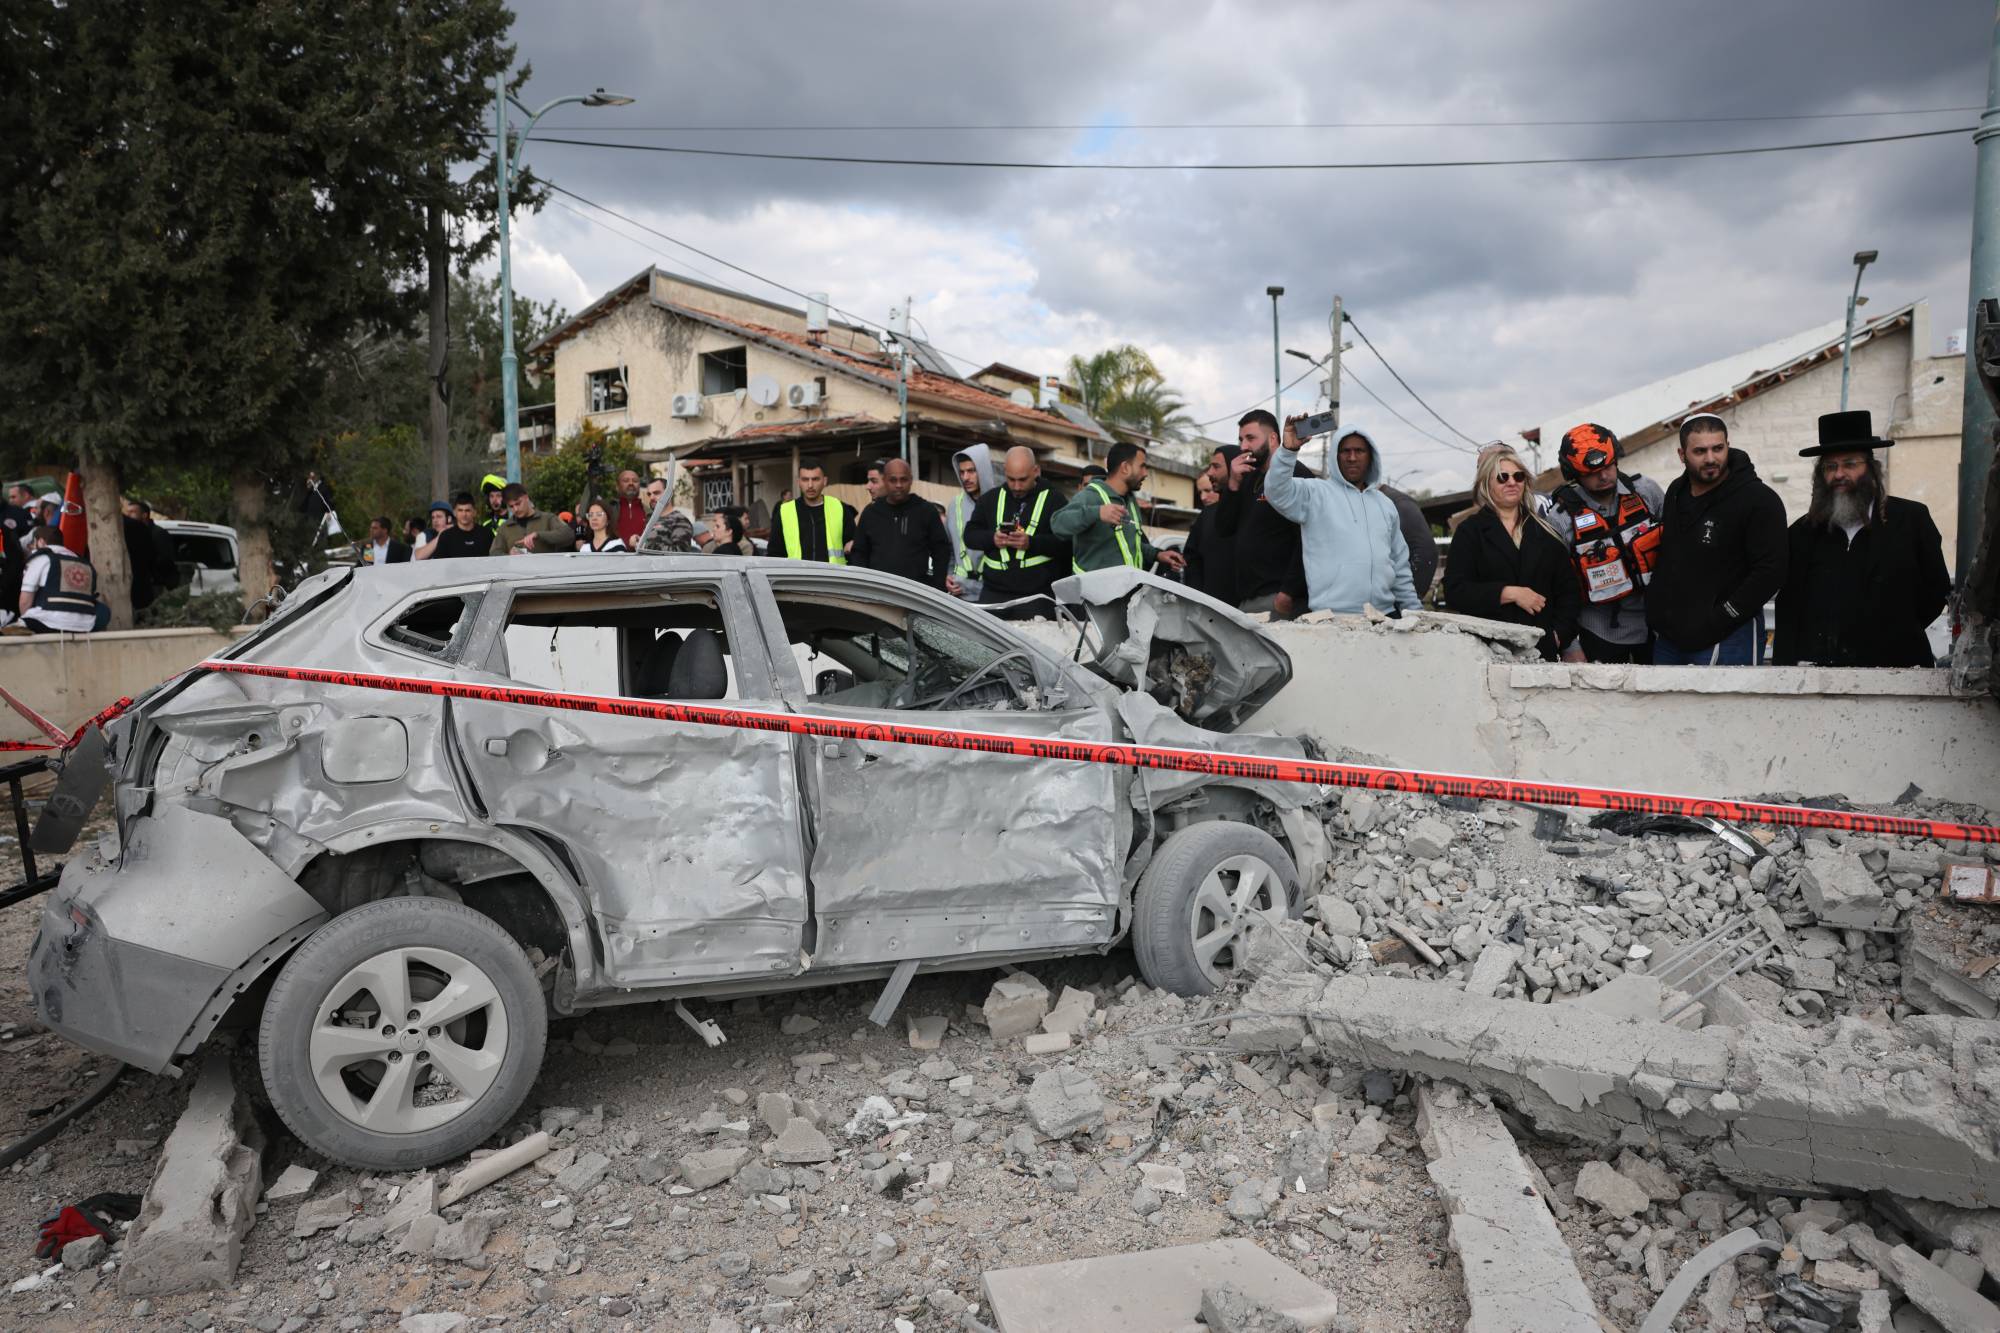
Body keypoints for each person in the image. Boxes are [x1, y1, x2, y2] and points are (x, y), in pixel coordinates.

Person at [1773, 409, 1951, 667]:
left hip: (1898, 668)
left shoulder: (1911, 520)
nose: (1838, 474)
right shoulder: (1802, 533)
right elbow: (1789, 607)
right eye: (1830, 467)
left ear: (1871, 469)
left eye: (1850, 464)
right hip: (1820, 673)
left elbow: (1937, 589)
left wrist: (1898, 631)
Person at [1647, 414, 1787, 665]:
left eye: (1718, 448)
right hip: (1670, 639)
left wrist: (1721, 618)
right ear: (1682, 454)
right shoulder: (1676, 492)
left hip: (1730, 637)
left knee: (1728, 695)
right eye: (1700, 451)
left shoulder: (1759, 499)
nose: (1711, 458)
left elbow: (1770, 572)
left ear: (1728, 446)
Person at [1264, 420, 1419, 617]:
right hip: (1334, 618)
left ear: (1370, 456)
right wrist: (1288, 450)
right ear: (1335, 456)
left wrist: (1414, 611)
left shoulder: (1385, 505)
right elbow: (1276, 491)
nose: (1352, 457)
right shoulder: (1315, 493)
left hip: (1385, 616)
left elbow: (1400, 565)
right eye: (1345, 451)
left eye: (1359, 451)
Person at [1543, 423, 1666, 663]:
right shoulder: (1560, 518)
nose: (1603, 476)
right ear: (1574, 474)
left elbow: (1679, 549)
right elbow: (1553, 588)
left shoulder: (1646, 491)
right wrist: (1569, 646)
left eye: (1608, 466)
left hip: (1657, 627)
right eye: (1592, 473)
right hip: (1597, 634)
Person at [1443, 447, 1580, 660]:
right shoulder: (1470, 532)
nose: (1512, 482)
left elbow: (1569, 592)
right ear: (1485, 484)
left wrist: (1557, 636)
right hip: (1488, 652)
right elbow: (1455, 591)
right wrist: (1508, 593)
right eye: (1502, 477)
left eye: (1518, 476)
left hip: (1540, 652)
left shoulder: (1545, 530)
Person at [1215, 410, 1309, 616]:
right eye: (1241, 439)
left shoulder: (1297, 475)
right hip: (1247, 598)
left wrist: (1289, 592)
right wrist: (1233, 484)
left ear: (1273, 438)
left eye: (1250, 438)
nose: (1243, 447)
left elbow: (1309, 538)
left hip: (1278, 598)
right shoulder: (1248, 477)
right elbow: (1223, 529)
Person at [963, 445, 1072, 613]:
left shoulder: (1055, 500)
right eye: (1011, 479)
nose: (1017, 486)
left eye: (1022, 480)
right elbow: (970, 535)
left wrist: (1031, 543)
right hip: (994, 595)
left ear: (1036, 471)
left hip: (1037, 598)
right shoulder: (989, 499)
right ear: (1005, 471)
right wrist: (992, 539)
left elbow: (1067, 544)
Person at [1052, 442, 1185, 576]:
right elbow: (1057, 524)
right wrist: (1097, 512)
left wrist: (1158, 554)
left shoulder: (1130, 501)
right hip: (1095, 588)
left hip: (1128, 586)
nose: (1145, 473)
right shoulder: (1091, 496)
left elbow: (1129, 545)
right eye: (1142, 466)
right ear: (1125, 467)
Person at [851, 458, 953, 588]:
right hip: (878, 592)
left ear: (911, 480)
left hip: (916, 592)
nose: (898, 485)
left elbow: (941, 551)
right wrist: (864, 586)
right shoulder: (871, 513)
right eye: (893, 480)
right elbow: (859, 553)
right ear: (885, 480)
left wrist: (937, 586)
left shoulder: (926, 511)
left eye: (903, 479)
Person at [1181, 445, 1242, 602]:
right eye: (1200, 492)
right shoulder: (1206, 516)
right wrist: (1197, 598)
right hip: (1210, 607)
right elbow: (1192, 559)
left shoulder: (1253, 507)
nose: (1203, 497)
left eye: (1208, 491)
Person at [769, 460, 859, 565]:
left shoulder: (840, 508)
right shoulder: (784, 512)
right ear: (798, 482)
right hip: (796, 575)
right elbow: (774, 554)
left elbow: (854, 549)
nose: (810, 485)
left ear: (824, 481)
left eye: (815, 479)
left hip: (833, 574)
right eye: (805, 479)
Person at [16, 526, 97, 634]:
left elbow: (25, 601)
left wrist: (24, 621)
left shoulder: (41, 559)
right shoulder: (84, 562)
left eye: (33, 543)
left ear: (40, 541)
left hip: (48, 623)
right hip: (86, 624)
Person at [946, 445, 996, 601]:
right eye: (962, 472)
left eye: (971, 471)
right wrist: (948, 575)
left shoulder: (1000, 502)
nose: (965, 477)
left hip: (991, 594)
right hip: (959, 594)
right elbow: (949, 548)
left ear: (983, 470)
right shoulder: (955, 505)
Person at [489, 484, 577, 556]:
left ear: (526, 498)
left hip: (545, 570)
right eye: (511, 506)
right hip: (517, 571)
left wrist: (539, 535)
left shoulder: (548, 518)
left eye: (518, 503)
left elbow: (569, 535)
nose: (515, 509)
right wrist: (508, 555)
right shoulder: (504, 527)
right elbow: (494, 553)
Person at [421, 492, 491, 560]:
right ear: (454, 512)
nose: (464, 514)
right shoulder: (446, 537)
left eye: (467, 510)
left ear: (474, 512)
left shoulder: (486, 534)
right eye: (460, 510)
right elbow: (439, 564)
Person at [611, 470, 650, 547]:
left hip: (642, 554)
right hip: (614, 554)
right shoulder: (609, 510)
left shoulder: (650, 512)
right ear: (617, 486)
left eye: (635, 481)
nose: (631, 483)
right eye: (626, 480)